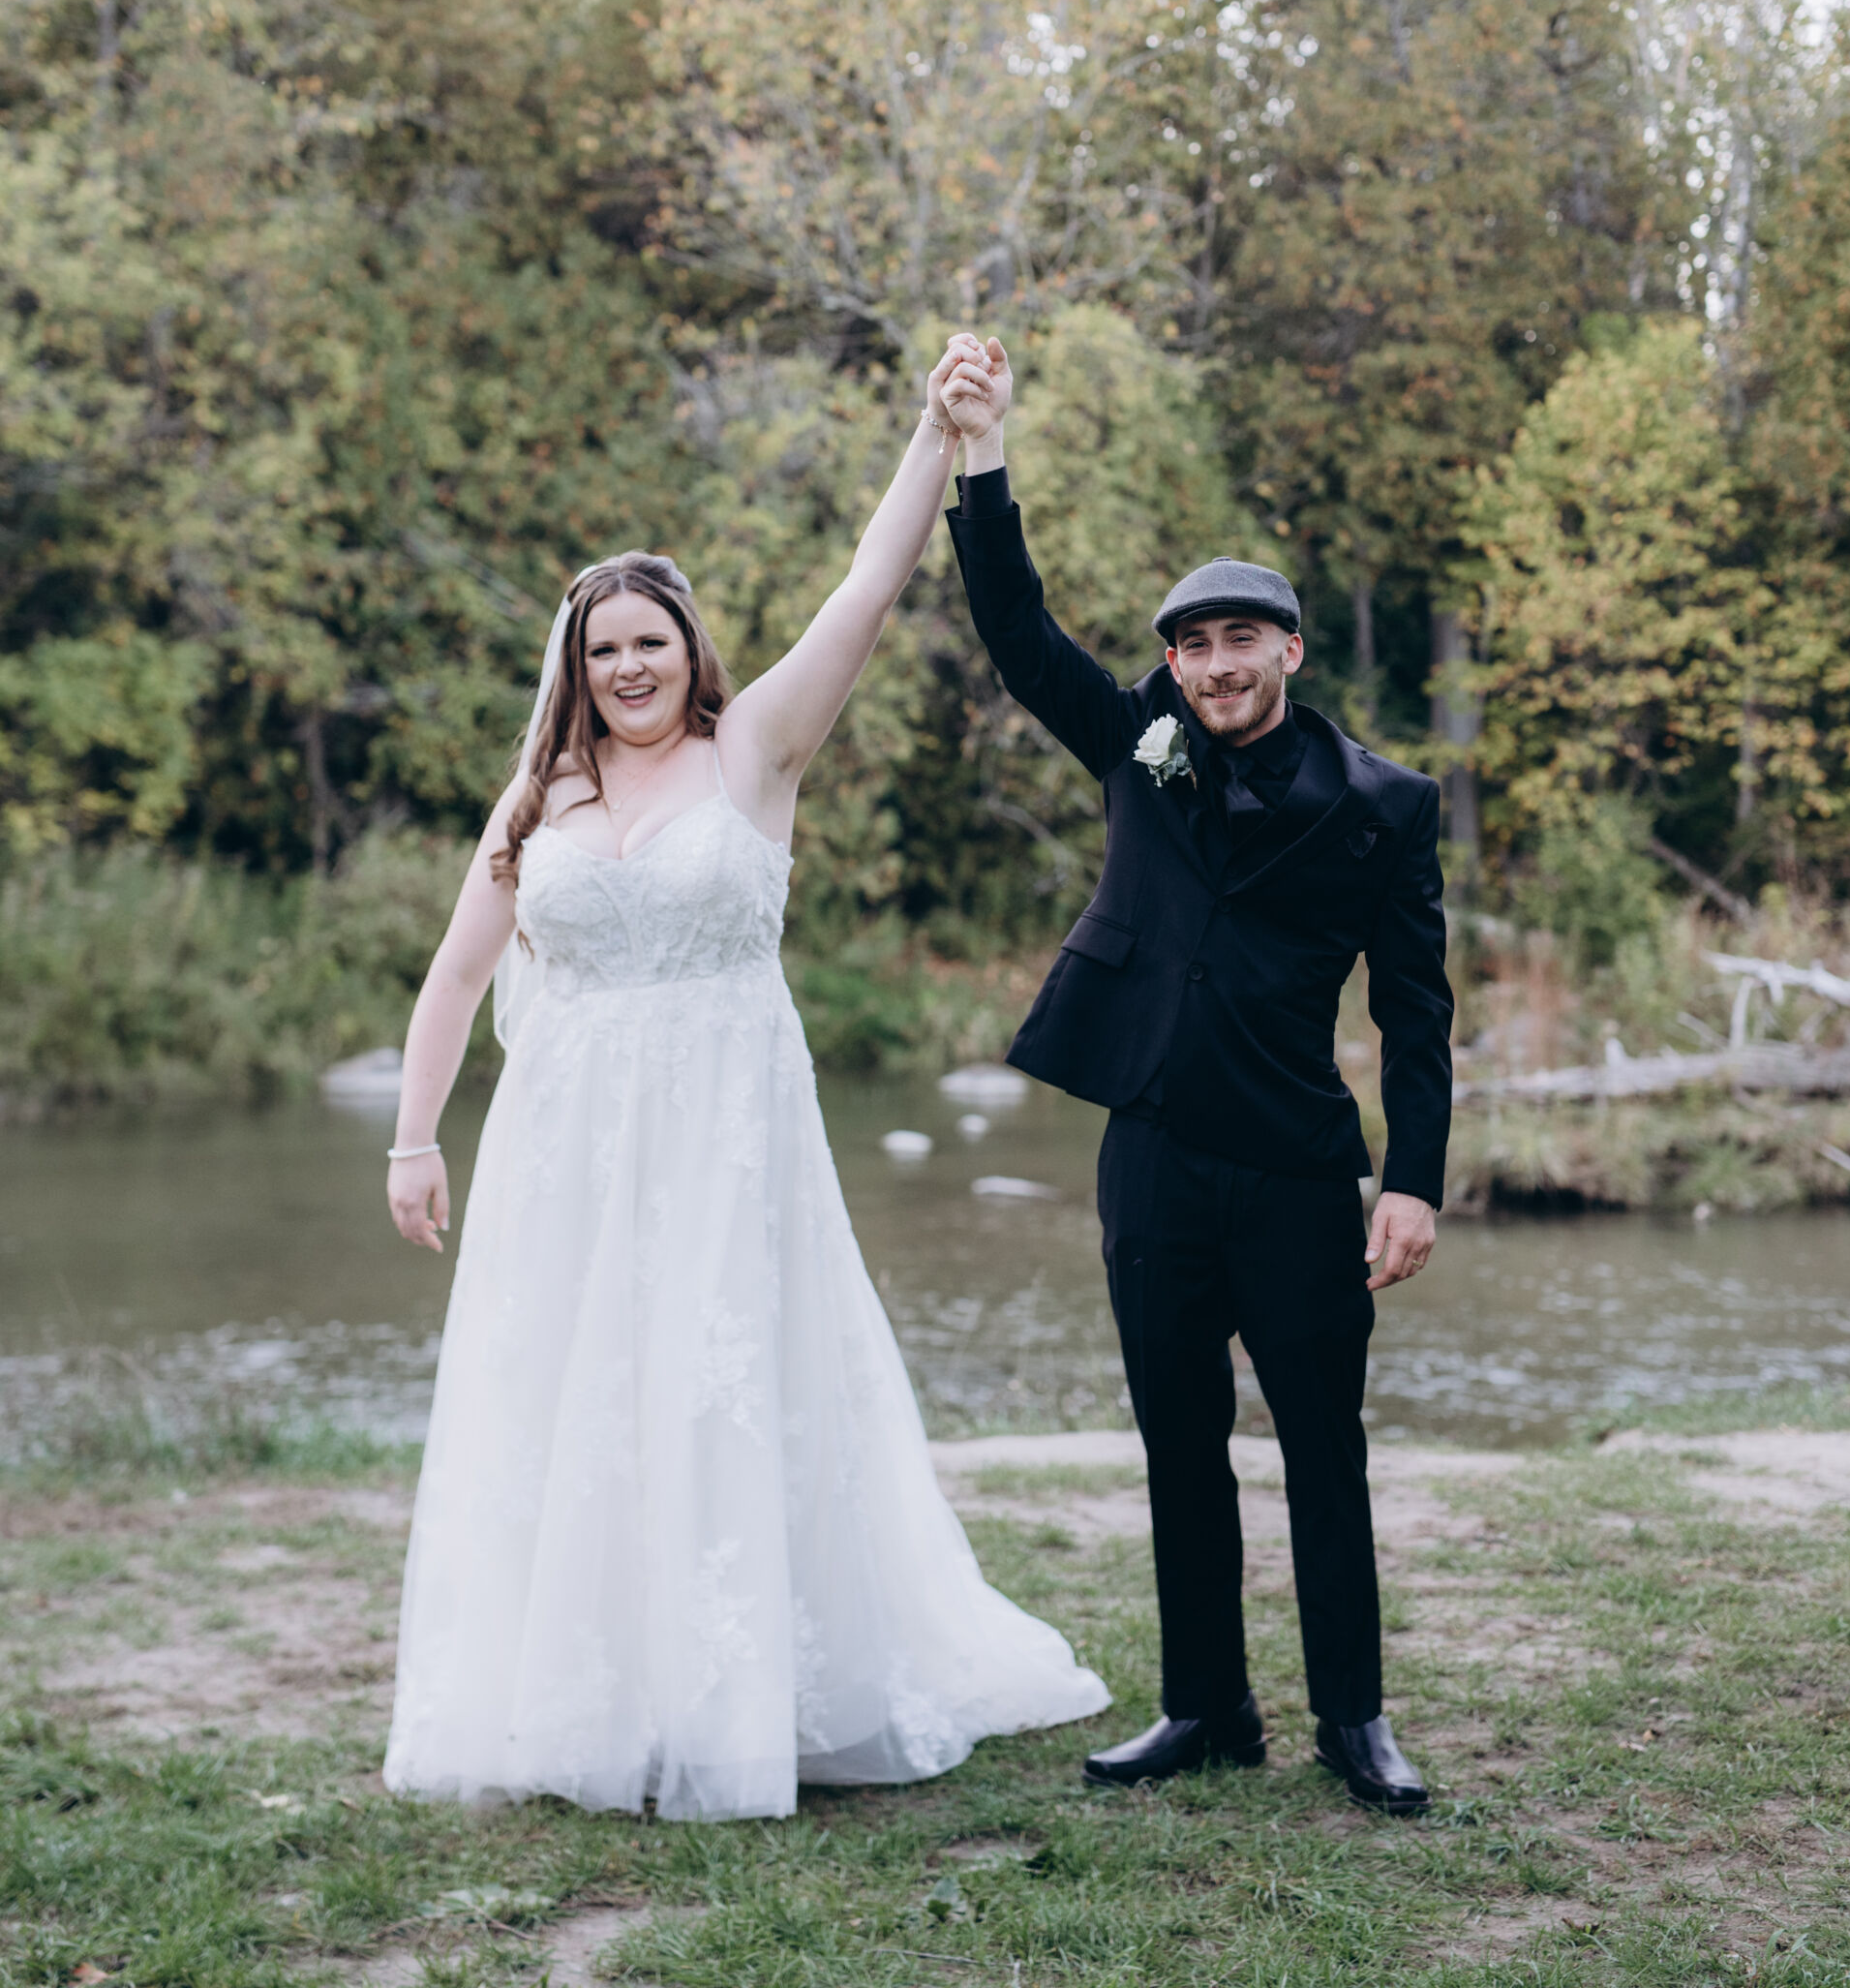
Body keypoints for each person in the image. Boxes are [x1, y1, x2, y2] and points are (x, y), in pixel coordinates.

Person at [379, 349, 1107, 1821]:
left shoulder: (757, 750)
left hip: (724, 1131)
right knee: (575, 1400)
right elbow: (457, 975)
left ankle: (747, 1697)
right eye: (602, 650)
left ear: (688, 649)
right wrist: (412, 1140)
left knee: (720, 1387)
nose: (627, 668)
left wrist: (938, 434)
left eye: (649, 642)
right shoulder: (539, 797)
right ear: (575, 668)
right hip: (564, 1147)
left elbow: (868, 587)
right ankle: (590, 1700)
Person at [938, 332, 1453, 1815]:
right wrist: (983, 453)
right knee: (1179, 1443)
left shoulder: (1385, 806)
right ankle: (1206, 1709)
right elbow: (1019, 631)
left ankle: (1353, 1720)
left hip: (1297, 1165)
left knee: (1324, 1452)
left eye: (1243, 639)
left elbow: (1417, 1010)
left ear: (1290, 650)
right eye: (1194, 645)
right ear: (1173, 663)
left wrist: (1412, 1180)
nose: (1218, 665)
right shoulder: (1138, 744)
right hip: (1154, 1153)